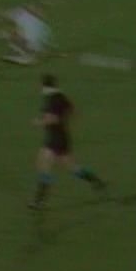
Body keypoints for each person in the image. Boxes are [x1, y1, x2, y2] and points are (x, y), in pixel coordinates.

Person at [28, 74, 106, 210]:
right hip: (62, 136)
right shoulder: (61, 96)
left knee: (44, 165)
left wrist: (38, 122)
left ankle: (39, 201)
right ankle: (96, 181)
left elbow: (53, 119)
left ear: (43, 85)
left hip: (54, 139)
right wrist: (63, 121)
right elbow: (75, 112)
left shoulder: (50, 99)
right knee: (72, 168)